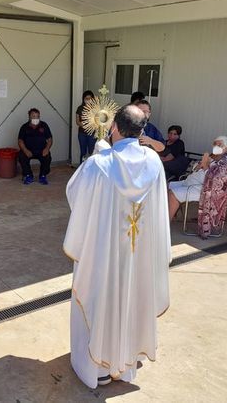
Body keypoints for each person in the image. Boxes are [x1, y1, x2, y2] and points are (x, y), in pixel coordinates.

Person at [63, 105, 171, 388]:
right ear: (141, 131)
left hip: (104, 253)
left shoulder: (99, 164)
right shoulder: (153, 161)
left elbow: (75, 197)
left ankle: (96, 369)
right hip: (138, 255)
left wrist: (97, 156)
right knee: (131, 299)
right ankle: (125, 364)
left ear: (114, 129)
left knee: (101, 300)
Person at [168, 136, 227, 234]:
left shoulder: (225, 163)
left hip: (204, 191)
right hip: (189, 183)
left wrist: (205, 165)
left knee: (173, 194)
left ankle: (166, 223)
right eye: (215, 144)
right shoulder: (212, 156)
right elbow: (196, 169)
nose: (216, 146)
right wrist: (199, 165)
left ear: (226, 148)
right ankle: (169, 215)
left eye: (219, 144)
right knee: (165, 186)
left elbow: (214, 181)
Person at [18, 108, 53, 185]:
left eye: (37, 116)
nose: (36, 118)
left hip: (41, 150)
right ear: (29, 117)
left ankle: (43, 176)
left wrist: (47, 149)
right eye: (33, 116)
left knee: (47, 157)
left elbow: (50, 139)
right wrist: (25, 150)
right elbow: (20, 141)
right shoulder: (24, 127)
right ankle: (28, 175)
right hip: (28, 150)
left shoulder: (44, 125)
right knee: (21, 156)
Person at [76, 90, 97, 164]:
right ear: (83, 99)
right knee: (83, 152)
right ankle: (81, 169)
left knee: (92, 152)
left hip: (92, 134)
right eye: (86, 98)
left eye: (90, 98)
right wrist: (86, 124)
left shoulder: (95, 109)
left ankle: (90, 170)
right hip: (82, 134)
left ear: (93, 99)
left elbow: (97, 121)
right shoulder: (80, 108)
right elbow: (77, 122)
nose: (88, 100)